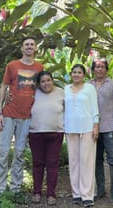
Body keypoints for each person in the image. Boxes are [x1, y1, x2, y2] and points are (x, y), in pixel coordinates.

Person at [0, 36, 44, 202]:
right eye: (26, 44)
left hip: (27, 116)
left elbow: (42, 90)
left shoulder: (39, 67)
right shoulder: (12, 65)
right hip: (8, 115)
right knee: (3, 151)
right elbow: (3, 88)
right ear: (21, 48)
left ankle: (15, 188)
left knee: (20, 153)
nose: (29, 47)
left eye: (31, 44)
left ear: (35, 48)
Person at [64, 64, 99, 207]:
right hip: (70, 128)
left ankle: (87, 195)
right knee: (73, 162)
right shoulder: (65, 89)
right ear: (71, 74)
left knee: (87, 161)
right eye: (74, 72)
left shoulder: (89, 88)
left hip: (87, 128)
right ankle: (76, 194)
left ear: (84, 75)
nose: (76, 74)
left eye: (79, 72)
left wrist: (96, 126)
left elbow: (95, 108)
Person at [28, 71, 65, 206]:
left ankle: (51, 194)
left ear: (52, 80)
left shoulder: (61, 92)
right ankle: (37, 192)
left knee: (52, 164)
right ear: (38, 83)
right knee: (37, 163)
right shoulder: (33, 92)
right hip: (35, 133)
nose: (46, 83)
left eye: (48, 80)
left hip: (55, 134)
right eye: (43, 81)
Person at [90, 58, 113, 206]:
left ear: (106, 69)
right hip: (93, 130)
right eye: (97, 67)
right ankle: (100, 190)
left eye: (102, 67)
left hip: (110, 127)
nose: (99, 69)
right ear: (93, 69)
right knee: (96, 161)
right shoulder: (88, 86)